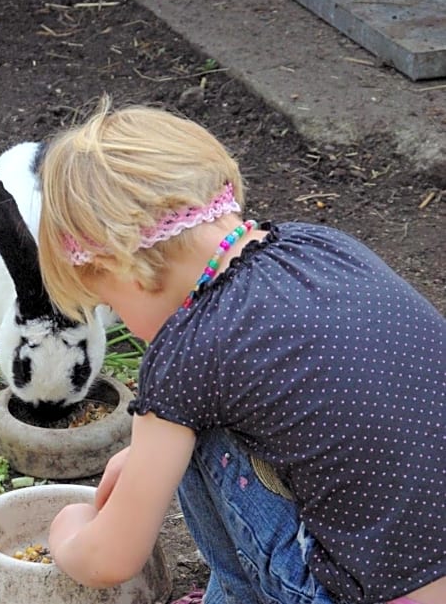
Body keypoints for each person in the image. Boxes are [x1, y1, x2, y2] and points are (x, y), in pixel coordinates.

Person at [36, 97, 446, 604]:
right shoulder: (320, 244)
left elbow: (110, 560)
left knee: (190, 418)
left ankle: (234, 594)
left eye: (108, 303)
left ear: (120, 269)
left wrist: (67, 534)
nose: (119, 319)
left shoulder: (188, 350)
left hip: (366, 594)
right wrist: (146, 455)